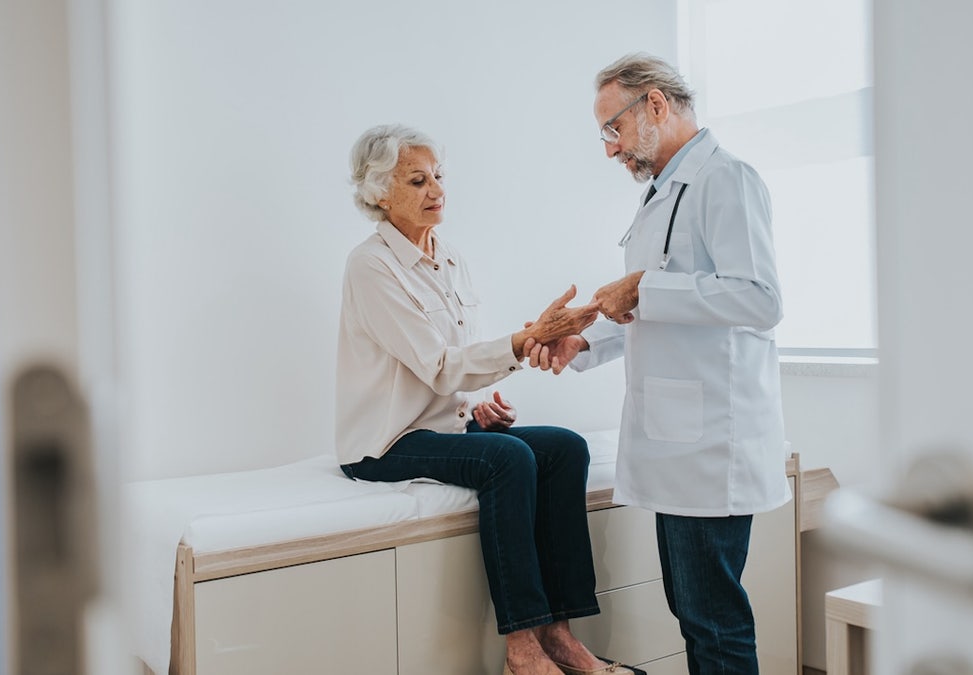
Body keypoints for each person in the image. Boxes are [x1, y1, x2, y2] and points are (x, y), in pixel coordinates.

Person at [335, 124, 635, 675]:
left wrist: (475, 407)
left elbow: (455, 367)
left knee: (565, 449)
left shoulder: (447, 258)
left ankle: (560, 635)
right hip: (385, 442)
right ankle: (521, 651)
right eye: (418, 180)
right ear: (380, 194)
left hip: (443, 429)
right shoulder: (371, 266)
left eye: (439, 176)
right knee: (509, 458)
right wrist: (525, 340)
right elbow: (439, 365)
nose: (436, 190)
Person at [526, 54, 790, 674]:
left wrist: (644, 288)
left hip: (709, 448)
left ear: (655, 104)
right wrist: (583, 343)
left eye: (612, 129)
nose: (610, 148)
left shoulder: (727, 179)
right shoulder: (661, 195)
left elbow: (760, 299)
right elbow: (653, 314)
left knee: (713, 619)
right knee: (694, 611)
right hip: (677, 444)